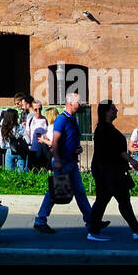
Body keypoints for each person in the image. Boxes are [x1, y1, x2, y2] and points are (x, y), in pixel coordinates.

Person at [33, 92, 100, 234]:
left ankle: (91, 221)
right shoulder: (61, 120)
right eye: (78, 102)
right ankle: (40, 220)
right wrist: (57, 160)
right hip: (62, 162)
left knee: (80, 192)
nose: (80, 104)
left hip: (71, 161)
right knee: (55, 191)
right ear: (70, 103)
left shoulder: (73, 119)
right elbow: (55, 142)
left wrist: (77, 148)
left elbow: (70, 139)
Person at [86, 100, 138, 241]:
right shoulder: (104, 129)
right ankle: (94, 230)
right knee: (112, 200)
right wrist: (131, 160)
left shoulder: (106, 128)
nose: (116, 110)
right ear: (106, 112)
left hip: (111, 170)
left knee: (115, 199)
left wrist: (125, 163)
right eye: (113, 109)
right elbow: (115, 151)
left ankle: (95, 227)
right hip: (107, 171)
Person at [25, 100, 50, 171]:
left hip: (44, 148)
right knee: (34, 169)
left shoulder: (45, 119)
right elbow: (28, 134)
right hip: (34, 149)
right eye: (36, 109)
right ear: (32, 109)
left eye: (40, 109)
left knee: (45, 169)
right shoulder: (30, 120)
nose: (38, 111)